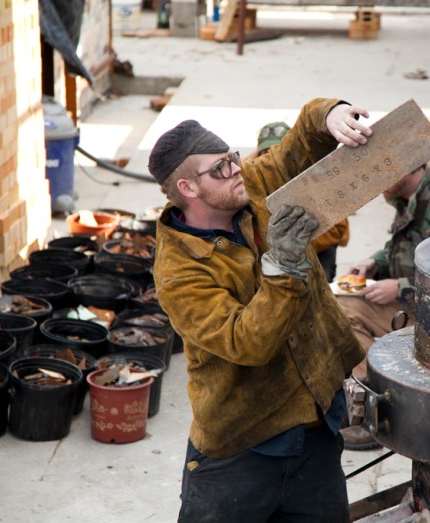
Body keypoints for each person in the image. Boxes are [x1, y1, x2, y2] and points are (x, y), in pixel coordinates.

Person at [147, 98, 370, 522]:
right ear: (188, 188)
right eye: (220, 168)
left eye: (231, 157)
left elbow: (298, 146)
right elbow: (246, 342)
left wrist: (329, 115)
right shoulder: (179, 271)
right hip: (242, 446)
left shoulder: (251, 186)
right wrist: (283, 266)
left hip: (315, 426)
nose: (236, 169)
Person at [337, 163, 430, 450]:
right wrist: (375, 262)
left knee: (344, 315)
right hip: (414, 304)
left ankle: (379, 413)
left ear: (406, 166)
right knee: (338, 311)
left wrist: (399, 287)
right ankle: (367, 400)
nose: (376, 181)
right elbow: (406, 247)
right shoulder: (409, 195)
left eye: (383, 169)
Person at [256, 121, 351, 282]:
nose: (271, 161)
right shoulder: (251, 181)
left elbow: (339, 229)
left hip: (314, 250)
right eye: (265, 154)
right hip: (269, 253)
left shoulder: (314, 175)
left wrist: (299, 244)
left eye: (277, 153)